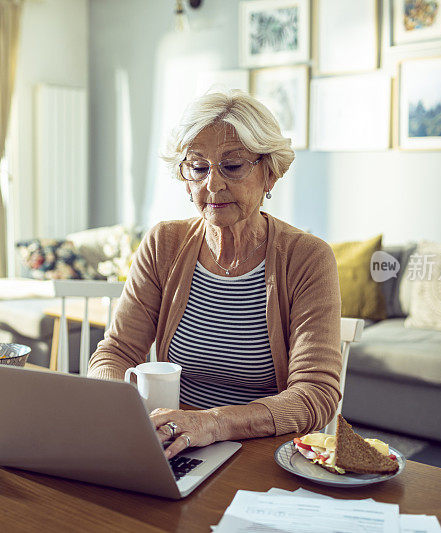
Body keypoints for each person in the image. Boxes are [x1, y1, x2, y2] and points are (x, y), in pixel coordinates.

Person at [88, 90, 342, 459]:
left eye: (233, 166)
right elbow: (116, 352)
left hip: (262, 454)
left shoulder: (308, 258)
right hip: (174, 443)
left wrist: (213, 423)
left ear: (269, 173)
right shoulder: (164, 243)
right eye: (198, 167)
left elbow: (314, 395)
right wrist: (124, 414)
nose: (212, 184)